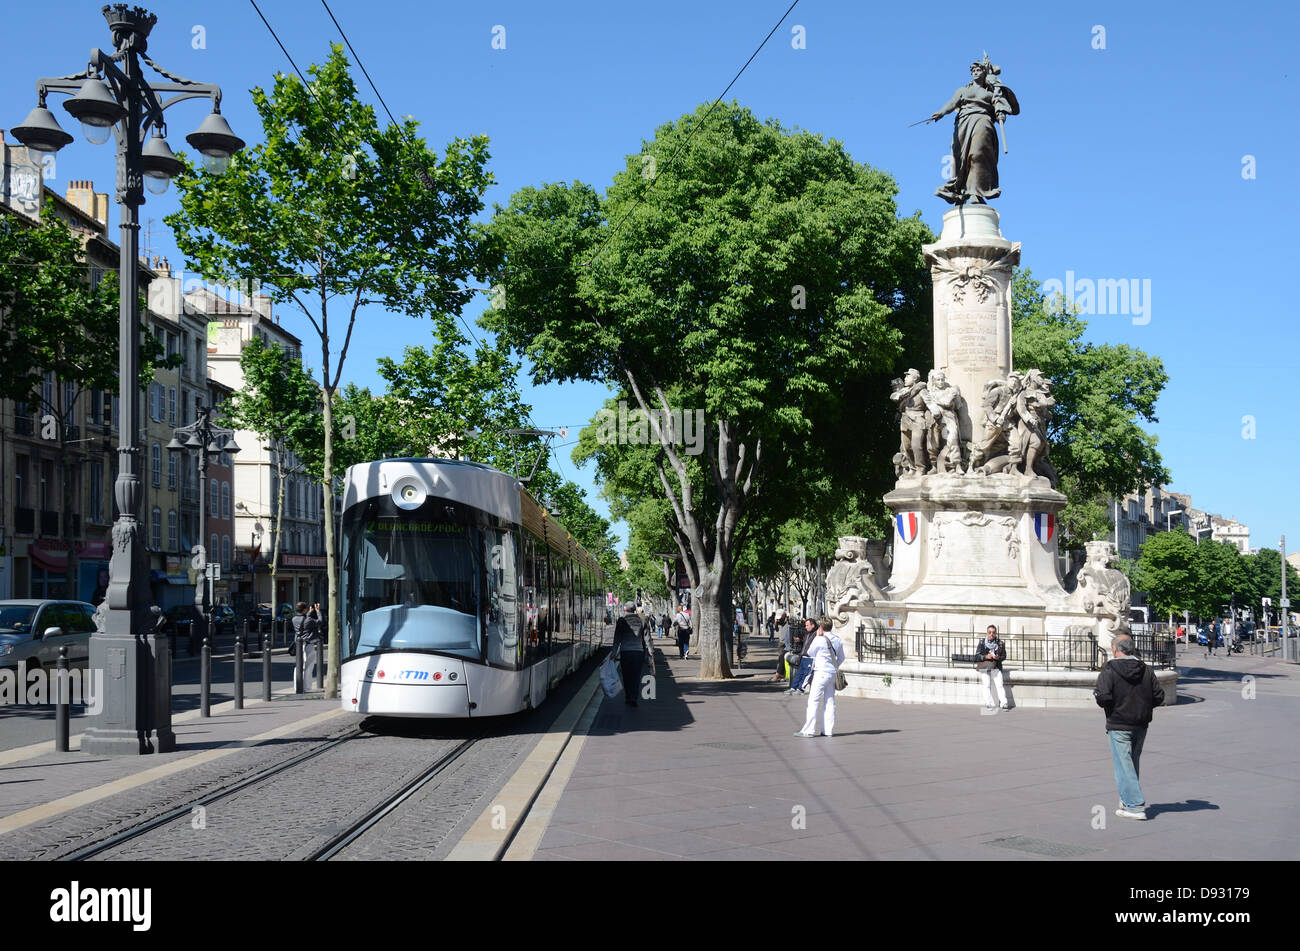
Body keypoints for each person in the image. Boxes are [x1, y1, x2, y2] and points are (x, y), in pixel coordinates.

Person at [930, 55, 1019, 205]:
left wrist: (1000, 106)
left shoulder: (991, 93)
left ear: (984, 73)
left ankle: (975, 193)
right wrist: (941, 112)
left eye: (979, 70)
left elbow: (1011, 108)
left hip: (982, 121)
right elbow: (952, 103)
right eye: (974, 70)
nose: (976, 72)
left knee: (978, 154)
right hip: (963, 124)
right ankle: (958, 190)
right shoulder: (963, 90)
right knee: (959, 158)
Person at [1093, 633, 1164, 820]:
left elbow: (1103, 697)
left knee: (1123, 765)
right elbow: (1159, 696)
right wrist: (1143, 707)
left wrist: (1113, 707)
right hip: (1141, 723)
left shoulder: (1110, 669)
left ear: (1115, 649)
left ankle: (1134, 806)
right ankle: (1127, 799)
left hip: (1119, 723)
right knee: (1131, 763)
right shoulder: (1146, 669)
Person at [795, 618, 846, 738]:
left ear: (821, 628)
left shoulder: (820, 639)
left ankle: (809, 730)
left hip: (821, 672)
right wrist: (834, 666)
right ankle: (828, 730)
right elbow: (841, 658)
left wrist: (818, 636)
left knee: (813, 701)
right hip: (832, 673)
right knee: (829, 701)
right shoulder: (838, 640)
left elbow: (811, 652)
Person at [612, 603, 653, 705]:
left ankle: (628, 696)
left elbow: (617, 638)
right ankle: (634, 698)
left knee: (626, 675)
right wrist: (650, 651)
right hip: (638, 652)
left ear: (625, 609)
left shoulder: (621, 620)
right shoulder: (642, 620)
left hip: (625, 651)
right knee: (636, 675)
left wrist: (613, 652)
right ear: (634, 609)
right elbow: (647, 638)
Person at [976, 624, 1009, 710]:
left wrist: (998, 658)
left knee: (1000, 685)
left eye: (993, 632)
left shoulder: (1000, 643)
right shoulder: (982, 643)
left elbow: (1004, 656)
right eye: (989, 632)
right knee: (986, 685)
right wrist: (985, 657)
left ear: (996, 633)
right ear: (987, 633)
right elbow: (977, 656)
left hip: (996, 666)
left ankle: (1004, 703)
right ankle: (988, 703)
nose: (991, 634)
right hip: (985, 666)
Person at [788, 618, 817, 694]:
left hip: (810, 658)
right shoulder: (807, 634)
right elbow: (806, 643)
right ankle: (793, 687)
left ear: (813, 625)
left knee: (806, 674)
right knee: (799, 673)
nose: (806, 627)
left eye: (807, 625)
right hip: (803, 656)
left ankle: (800, 688)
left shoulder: (816, 634)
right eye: (805, 625)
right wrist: (800, 640)